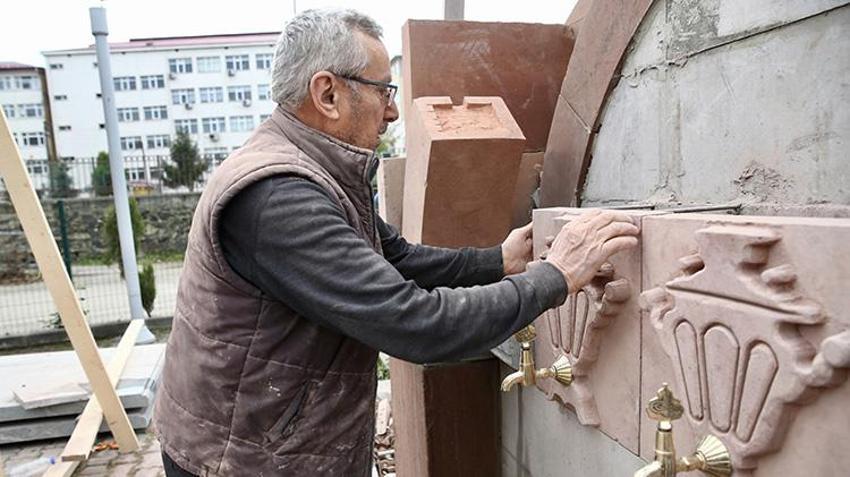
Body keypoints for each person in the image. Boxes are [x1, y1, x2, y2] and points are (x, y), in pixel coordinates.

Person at [153, 8, 639, 477]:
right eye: (383, 90)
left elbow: (394, 257)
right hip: (245, 461)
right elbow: (416, 324)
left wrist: (498, 261)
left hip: (274, 441)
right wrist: (556, 277)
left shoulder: (320, 169)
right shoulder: (280, 196)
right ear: (327, 93)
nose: (391, 111)